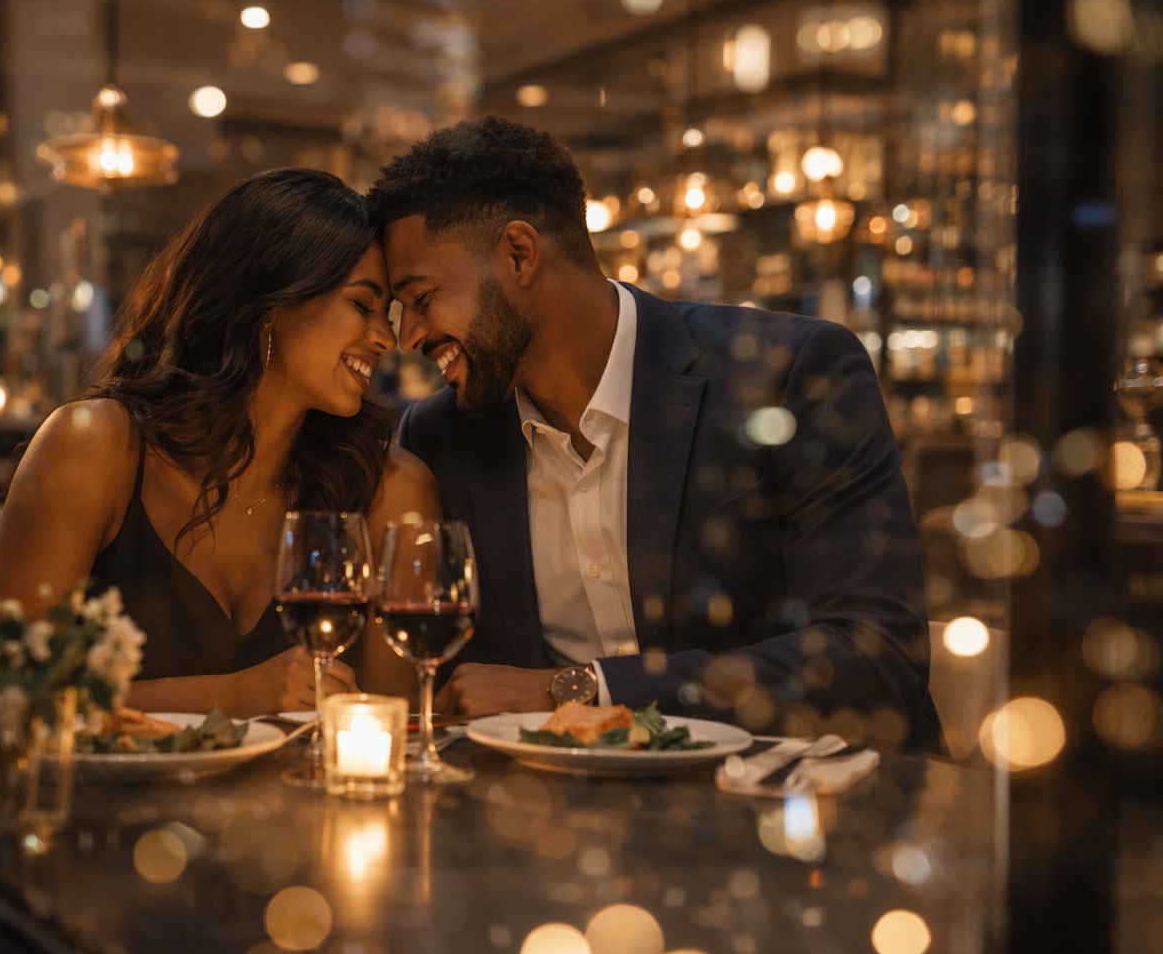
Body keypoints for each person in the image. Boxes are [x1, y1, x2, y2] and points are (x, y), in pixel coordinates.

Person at [368, 117, 943, 750]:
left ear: (520, 254)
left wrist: (584, 690)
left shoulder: (790, 373)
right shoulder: (442, 437)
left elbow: (877, 652)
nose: (408, 338)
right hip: (558, 826)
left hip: (819, 808)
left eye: (421, 298)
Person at [0, 168, 439, 718]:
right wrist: (231, 698)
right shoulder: (95, 448)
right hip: (93, 802)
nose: (387, 338)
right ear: (268, 303)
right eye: (363, 305)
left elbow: (397, 725)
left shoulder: (389, 491)